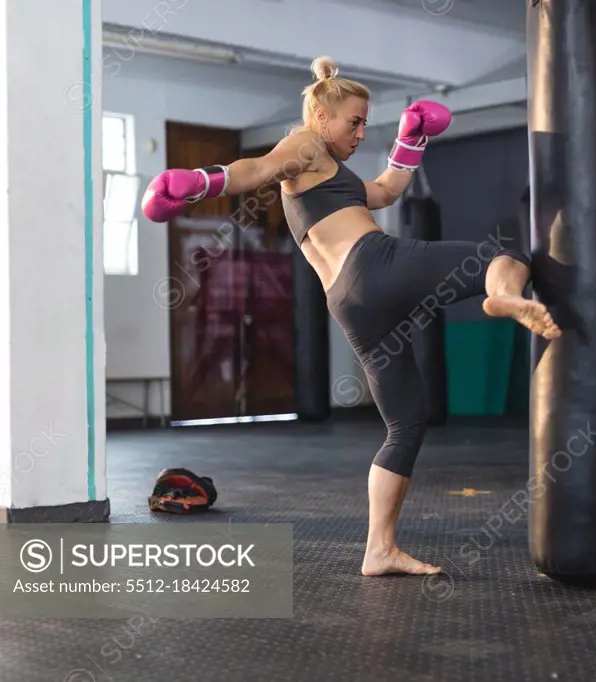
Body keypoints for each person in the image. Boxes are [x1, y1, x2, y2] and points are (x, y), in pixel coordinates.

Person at [141, 56, 561, 577]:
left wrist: (412, 139)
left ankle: (379, 549)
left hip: (350, 303)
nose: (361, 132)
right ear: (321, 117)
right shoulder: (305, 145)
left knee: (405, 423)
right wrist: (199, 182)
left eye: (366, 123)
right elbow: (258, 170)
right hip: (375, 265)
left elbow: (384, 190)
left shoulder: (331, 173)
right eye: (354, 122)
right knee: (508, 258)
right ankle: (500, 294)